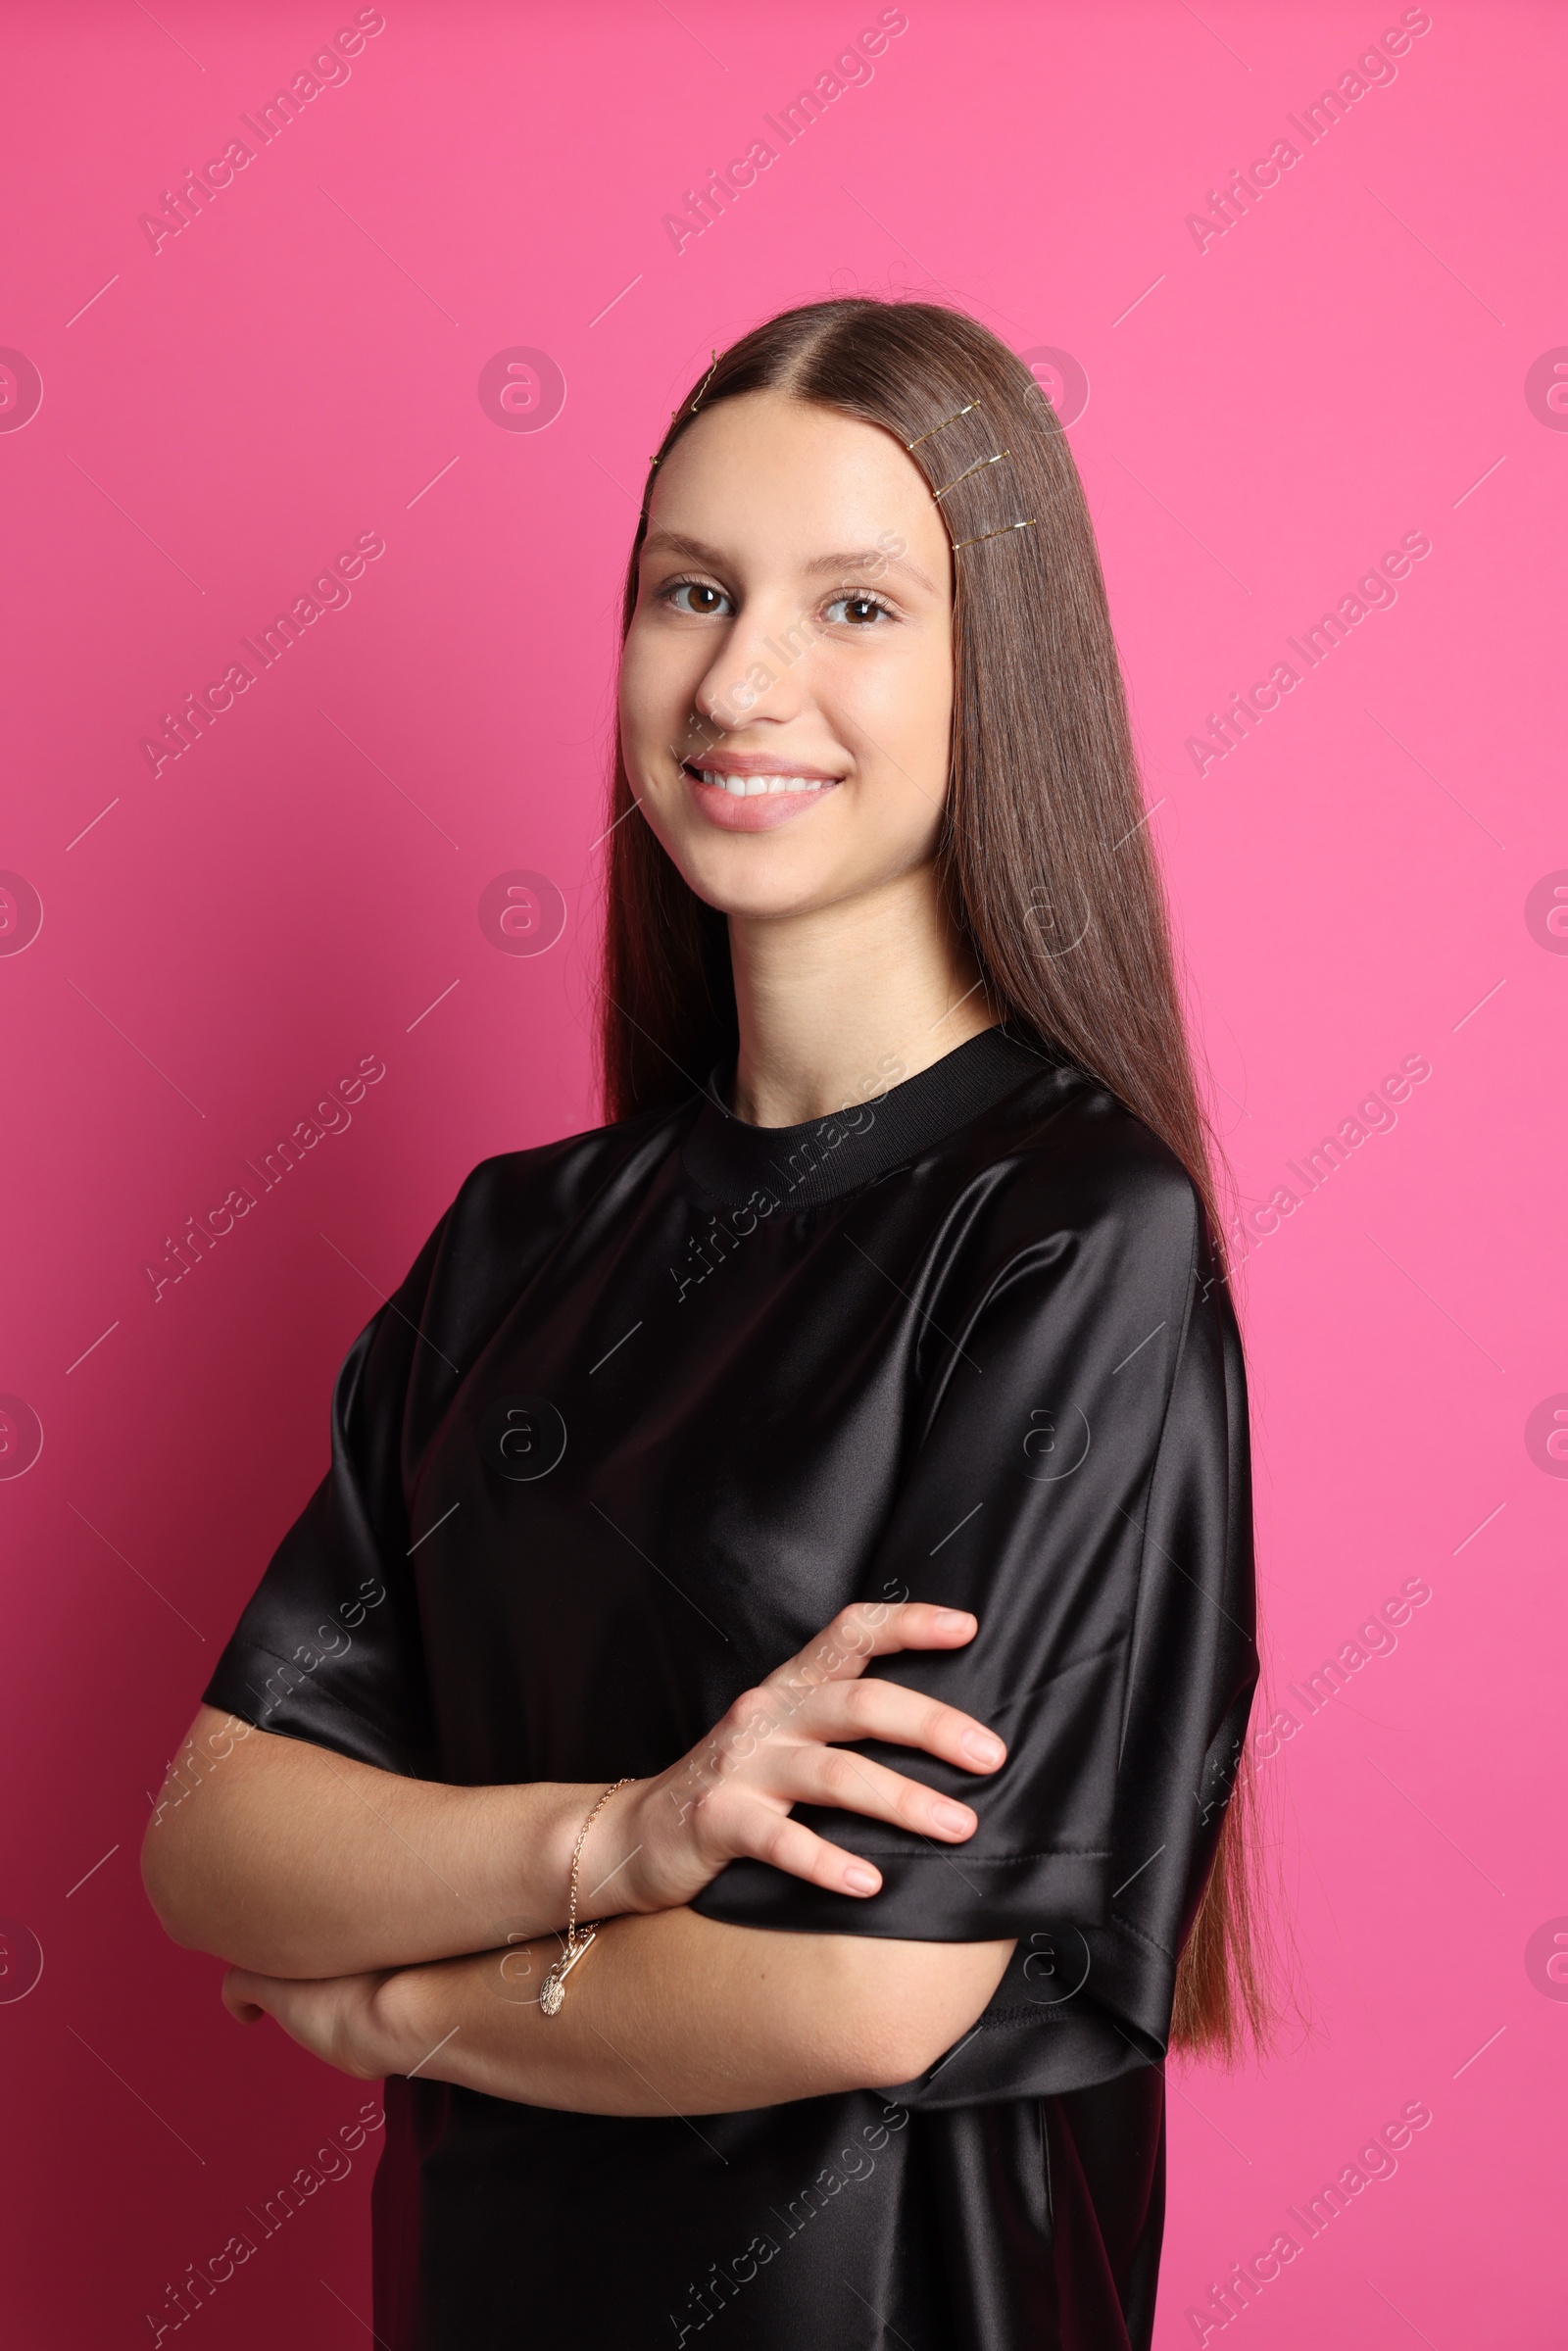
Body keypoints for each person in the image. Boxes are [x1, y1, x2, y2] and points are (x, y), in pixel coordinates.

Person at [143, 296, 1265, 2350]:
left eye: (853, 606)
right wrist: (629, 1833)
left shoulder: (1069, 1236)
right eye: (689, 591)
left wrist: (398, 2003)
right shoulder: (512, 1247)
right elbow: (216, 1838)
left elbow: (859, 1984)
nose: (740, 680)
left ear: (992, 675)